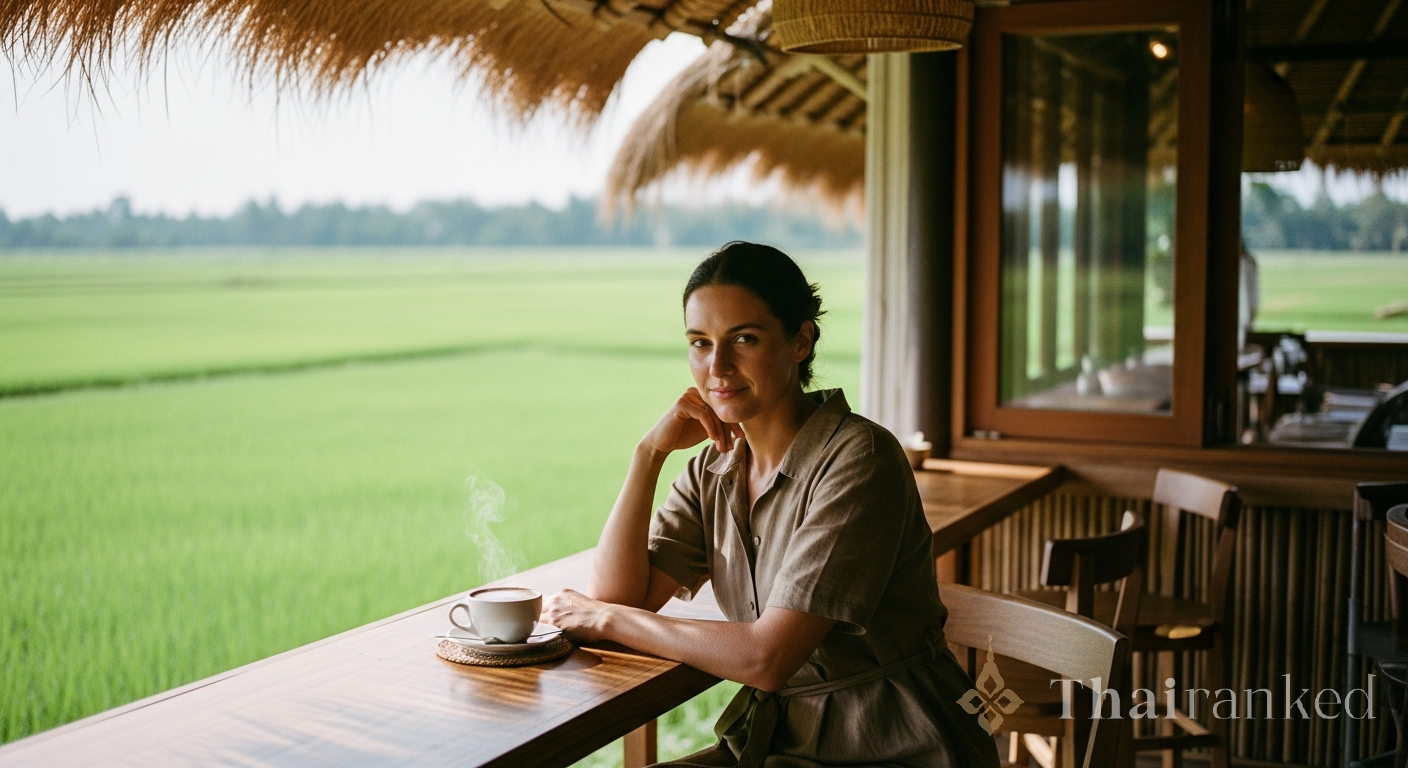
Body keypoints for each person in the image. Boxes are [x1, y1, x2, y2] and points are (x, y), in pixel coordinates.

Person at [542, 242, 999, 767]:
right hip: (783, 743)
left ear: (800, 340)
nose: (717, 366)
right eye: (700, 342)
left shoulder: (858, 459)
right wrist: (647, 455)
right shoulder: (714, 470)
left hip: (895, 743)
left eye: (744, 339)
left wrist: (602, 620)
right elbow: (623, 596)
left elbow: (767, 658)